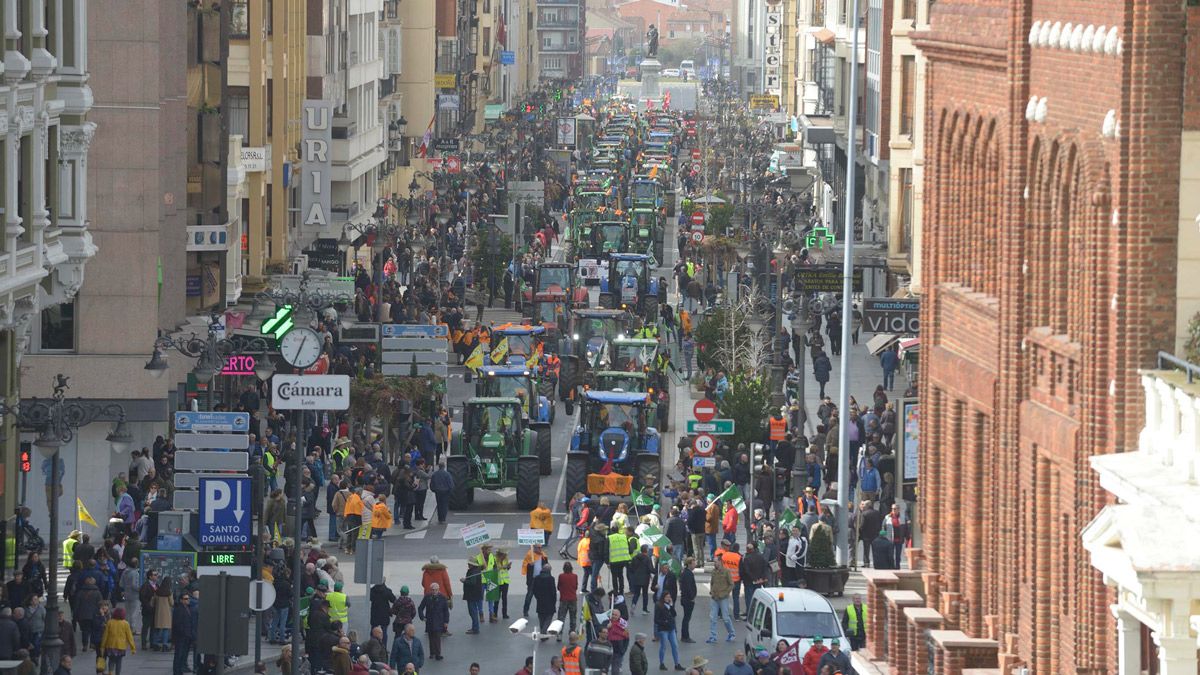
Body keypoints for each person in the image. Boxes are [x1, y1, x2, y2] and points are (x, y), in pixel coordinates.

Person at [706, 553, 735, 644]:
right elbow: (712, 582)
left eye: (716, 562)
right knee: (713, 617)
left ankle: (731, 633)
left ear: (720, 562)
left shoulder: (726, 572)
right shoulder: (714, 572)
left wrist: (726, 593)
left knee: (726, 618)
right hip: (714, 597)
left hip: (723, 598)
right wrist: (711, 591)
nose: (714, 564)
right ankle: (713, 636)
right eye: (714, 562)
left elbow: (731, 584)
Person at [98, 607, 136, 675]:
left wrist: (102, 646)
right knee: (119, 662)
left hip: (111, 646)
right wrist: (133, 648)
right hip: (121, 647)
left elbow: (105, 635)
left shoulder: (110, 622)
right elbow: (130, 636)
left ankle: (110, 672)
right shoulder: (125, 623)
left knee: (111, 660)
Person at [417, 582, 449, 660]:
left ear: (438, 590)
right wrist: (422, 617)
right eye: (432, 590)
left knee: (437, 637)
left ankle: (438, 654)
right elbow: (420, 608)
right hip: (430, 620)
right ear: (430, 590)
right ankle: (432, 653)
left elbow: (446, 611)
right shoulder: (427, 597)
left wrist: (446, 622)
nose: (434, 591)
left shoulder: (443, 598)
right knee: (431, 637)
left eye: (435, 590)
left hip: (439, 621)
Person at [652, 594, 683, 671]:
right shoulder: (659, 605)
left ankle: (677, 664)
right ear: (663, 597)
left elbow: (674, 614)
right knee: (663, 646)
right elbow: (656, 619)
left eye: (669, 597)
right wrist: (664, 622)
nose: (668, 598)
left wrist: (671, 606)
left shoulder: (669, 605)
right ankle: (661, 663)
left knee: (675, 646)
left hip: (671, 628)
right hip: (663, 629)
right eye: (666, 597)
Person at [522, 544, 549, 617]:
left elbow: (547, 566)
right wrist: (529, 564)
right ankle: (525, 610)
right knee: (529, 596)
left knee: (541, 597)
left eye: (541, 547)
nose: (540, 549)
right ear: (534, 548)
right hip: (532, 580)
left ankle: (541, 610)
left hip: (541, 579)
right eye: (539, 548)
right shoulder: (530, 554)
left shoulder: (543, 555)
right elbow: (525, 564)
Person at [370, 580, 398, 646]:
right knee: (384, 632)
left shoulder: (372, 590)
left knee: (373, 631)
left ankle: (372, 646)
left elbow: (370, 598)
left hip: (375, 614)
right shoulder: (387, 591)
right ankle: (383, 647)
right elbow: (394, 600)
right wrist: (392, 610)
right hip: (384, 614)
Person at [627, 546, 654, 614]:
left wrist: (635, 573)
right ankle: (644, 609)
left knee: (636, 593)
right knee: (645, 594)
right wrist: (655, 571)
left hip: (637, 578)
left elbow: (631, 568)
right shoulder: (648, 558)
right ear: (646, 550)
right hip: (645, 579)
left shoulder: (635, 557)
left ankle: (633, 604)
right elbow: (650, 569)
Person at [556, 562, 579, 641]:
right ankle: (572, 633)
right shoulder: (575, 576)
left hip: (564, 599)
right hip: (573, 599)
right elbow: (575, 586)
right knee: (573, 617)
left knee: (561, 617)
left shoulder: (561, 576)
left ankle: (559, 634)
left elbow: (558, 587)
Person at [533, 566, 558, 632]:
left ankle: (542, 631)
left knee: (541, 618)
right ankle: (543, 632)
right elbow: (553, 591)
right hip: (549, 602)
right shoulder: (551, 579)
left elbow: (534, 590)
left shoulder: (536, 578)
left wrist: (537, 597)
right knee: (548, 617)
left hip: (540, 601)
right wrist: (554, 601)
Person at [678, 558, 697, 643]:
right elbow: (689, 587)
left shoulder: (685, 573)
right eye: (693, 563)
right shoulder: (688, 574)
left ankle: (684, 635)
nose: (695, 565)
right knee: (686, 618)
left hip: (685, 598)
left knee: (686, 618)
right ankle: (685, 636)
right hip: (688, 599)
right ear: (689, 564)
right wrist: (692, 597)